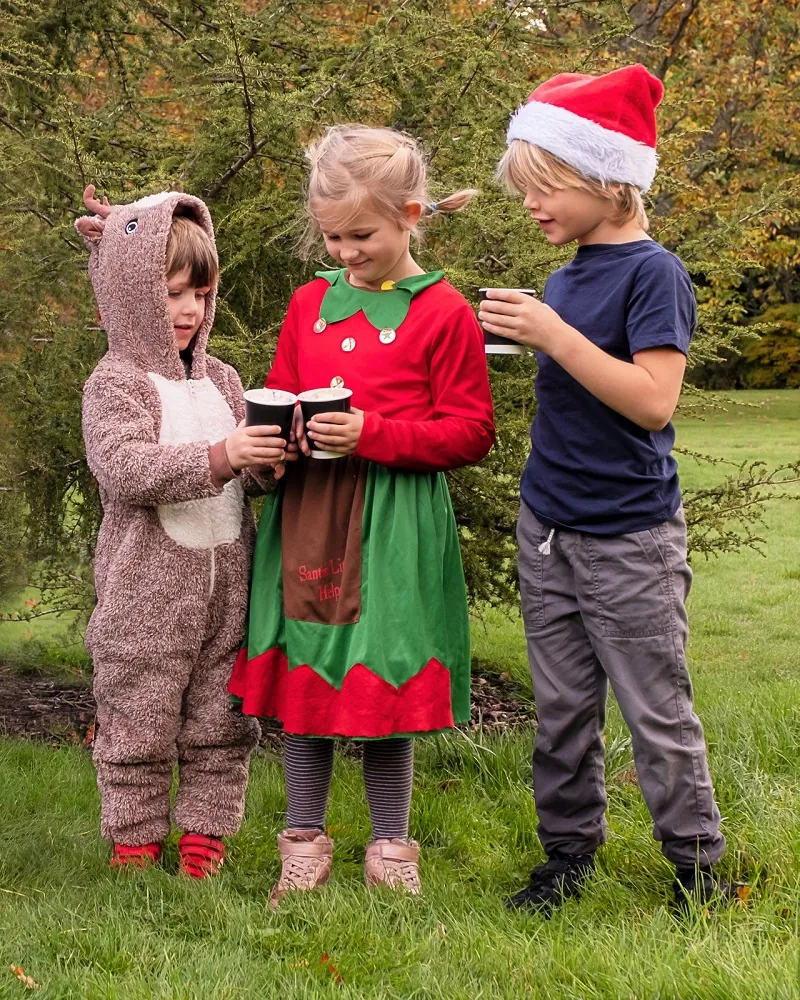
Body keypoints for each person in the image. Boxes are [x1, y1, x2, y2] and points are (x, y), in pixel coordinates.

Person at [479, 65, 739, 912]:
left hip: (629, 538)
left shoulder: (652, 274)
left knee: (653, 712)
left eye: (545, 186)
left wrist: (554, 336)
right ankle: (568, 856)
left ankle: (697, 867)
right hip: (549, 525)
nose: (531, 204)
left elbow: (652, 400)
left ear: (607, 178)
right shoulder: (565, 276)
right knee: (560, 712)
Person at [228, 125, 495, 905]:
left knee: (384, 677)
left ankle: (389, 846)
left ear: (411, 214)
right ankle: (303, 842)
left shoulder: (441, 312)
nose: (345, 251)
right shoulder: (309, 302)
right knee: (307, 675)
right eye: (332, 236)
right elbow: (280, 387)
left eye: (361, 235)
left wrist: (373, 433)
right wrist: (276, 445)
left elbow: (471, 430)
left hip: (393, 527)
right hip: (310, 513)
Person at [76, 186, 286, 876]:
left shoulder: (224, 381)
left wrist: (270, 462)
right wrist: (222, 457)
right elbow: (126, 467)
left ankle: (205, 837)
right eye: (170, 294)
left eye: (199, 293)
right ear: (134, 298)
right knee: (136, 717)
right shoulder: (117, 383)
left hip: (227, 595)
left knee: (221, 724)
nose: (188, 311)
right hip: (144, 598)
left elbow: (245, 473)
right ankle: (136, 837)